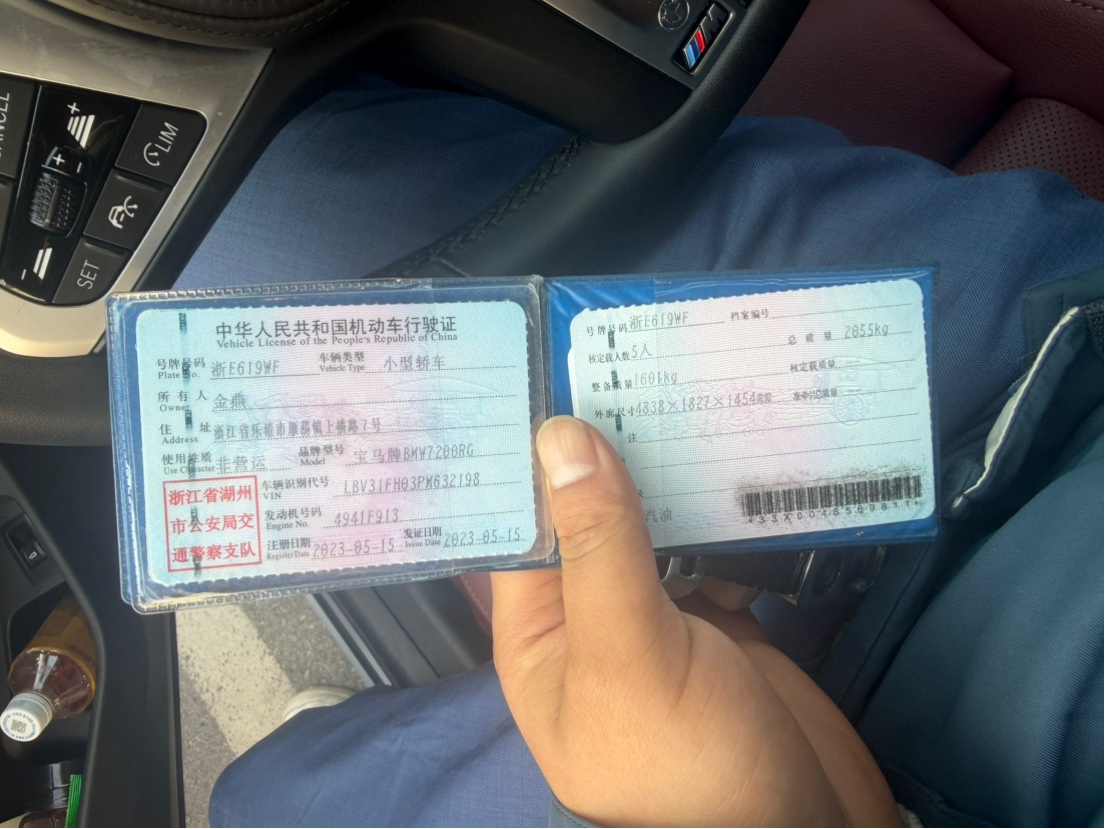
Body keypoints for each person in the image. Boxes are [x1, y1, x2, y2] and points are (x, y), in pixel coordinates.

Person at [192, 74, 1103, 827]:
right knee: (224, 213)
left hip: (913, 774)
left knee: (289, 804)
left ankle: (314, 768)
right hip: (1057, 349)